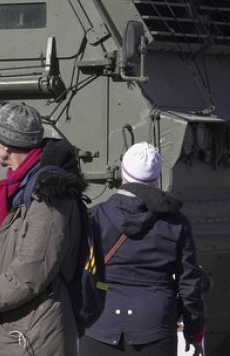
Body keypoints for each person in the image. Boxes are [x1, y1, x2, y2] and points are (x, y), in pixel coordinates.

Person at [0, 102, 88, 356]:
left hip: (35, 337)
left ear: (6, 145)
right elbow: (0, 255)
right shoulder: (23, 190)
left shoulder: (47, 198)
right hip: (22, 332)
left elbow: (28, 276)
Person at [81, 143, 205, 356]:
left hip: (100, 322)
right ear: (157, 179)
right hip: (155, 323)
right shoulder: (177, 223)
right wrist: (194, 331)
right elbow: (189, 284)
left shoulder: (95, 216)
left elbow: (80, 273)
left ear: (123, 174)